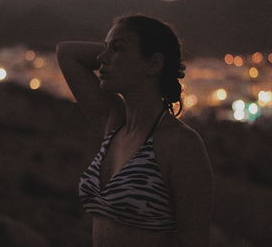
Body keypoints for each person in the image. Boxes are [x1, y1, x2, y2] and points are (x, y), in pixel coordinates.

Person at [56, 14, 213, 247]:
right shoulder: (114, 123)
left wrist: (165, 61)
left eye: (118, 49)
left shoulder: (181, 143)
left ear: (153, 64)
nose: (101, 58)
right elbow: (66, 53)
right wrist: (115, 50)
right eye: (104, 49)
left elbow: (194, 241)